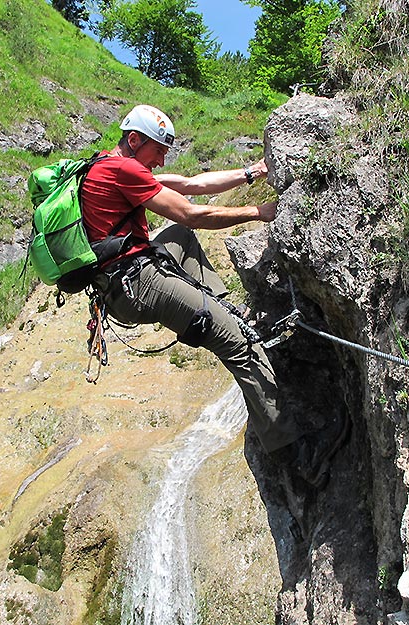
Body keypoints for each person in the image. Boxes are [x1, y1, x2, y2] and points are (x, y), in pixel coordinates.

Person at [83, 104, 331, 486]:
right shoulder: (125, 170)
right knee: (239, 346)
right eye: (159, 149)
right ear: (134, 140)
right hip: (137, 281)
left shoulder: (108, 166)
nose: (163, 157)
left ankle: (223, 307)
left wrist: (252, 173)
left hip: (119, 283)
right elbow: (191, 213)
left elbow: (192, 184)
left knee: (178, 239)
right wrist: (257, 213)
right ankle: (298, 459)